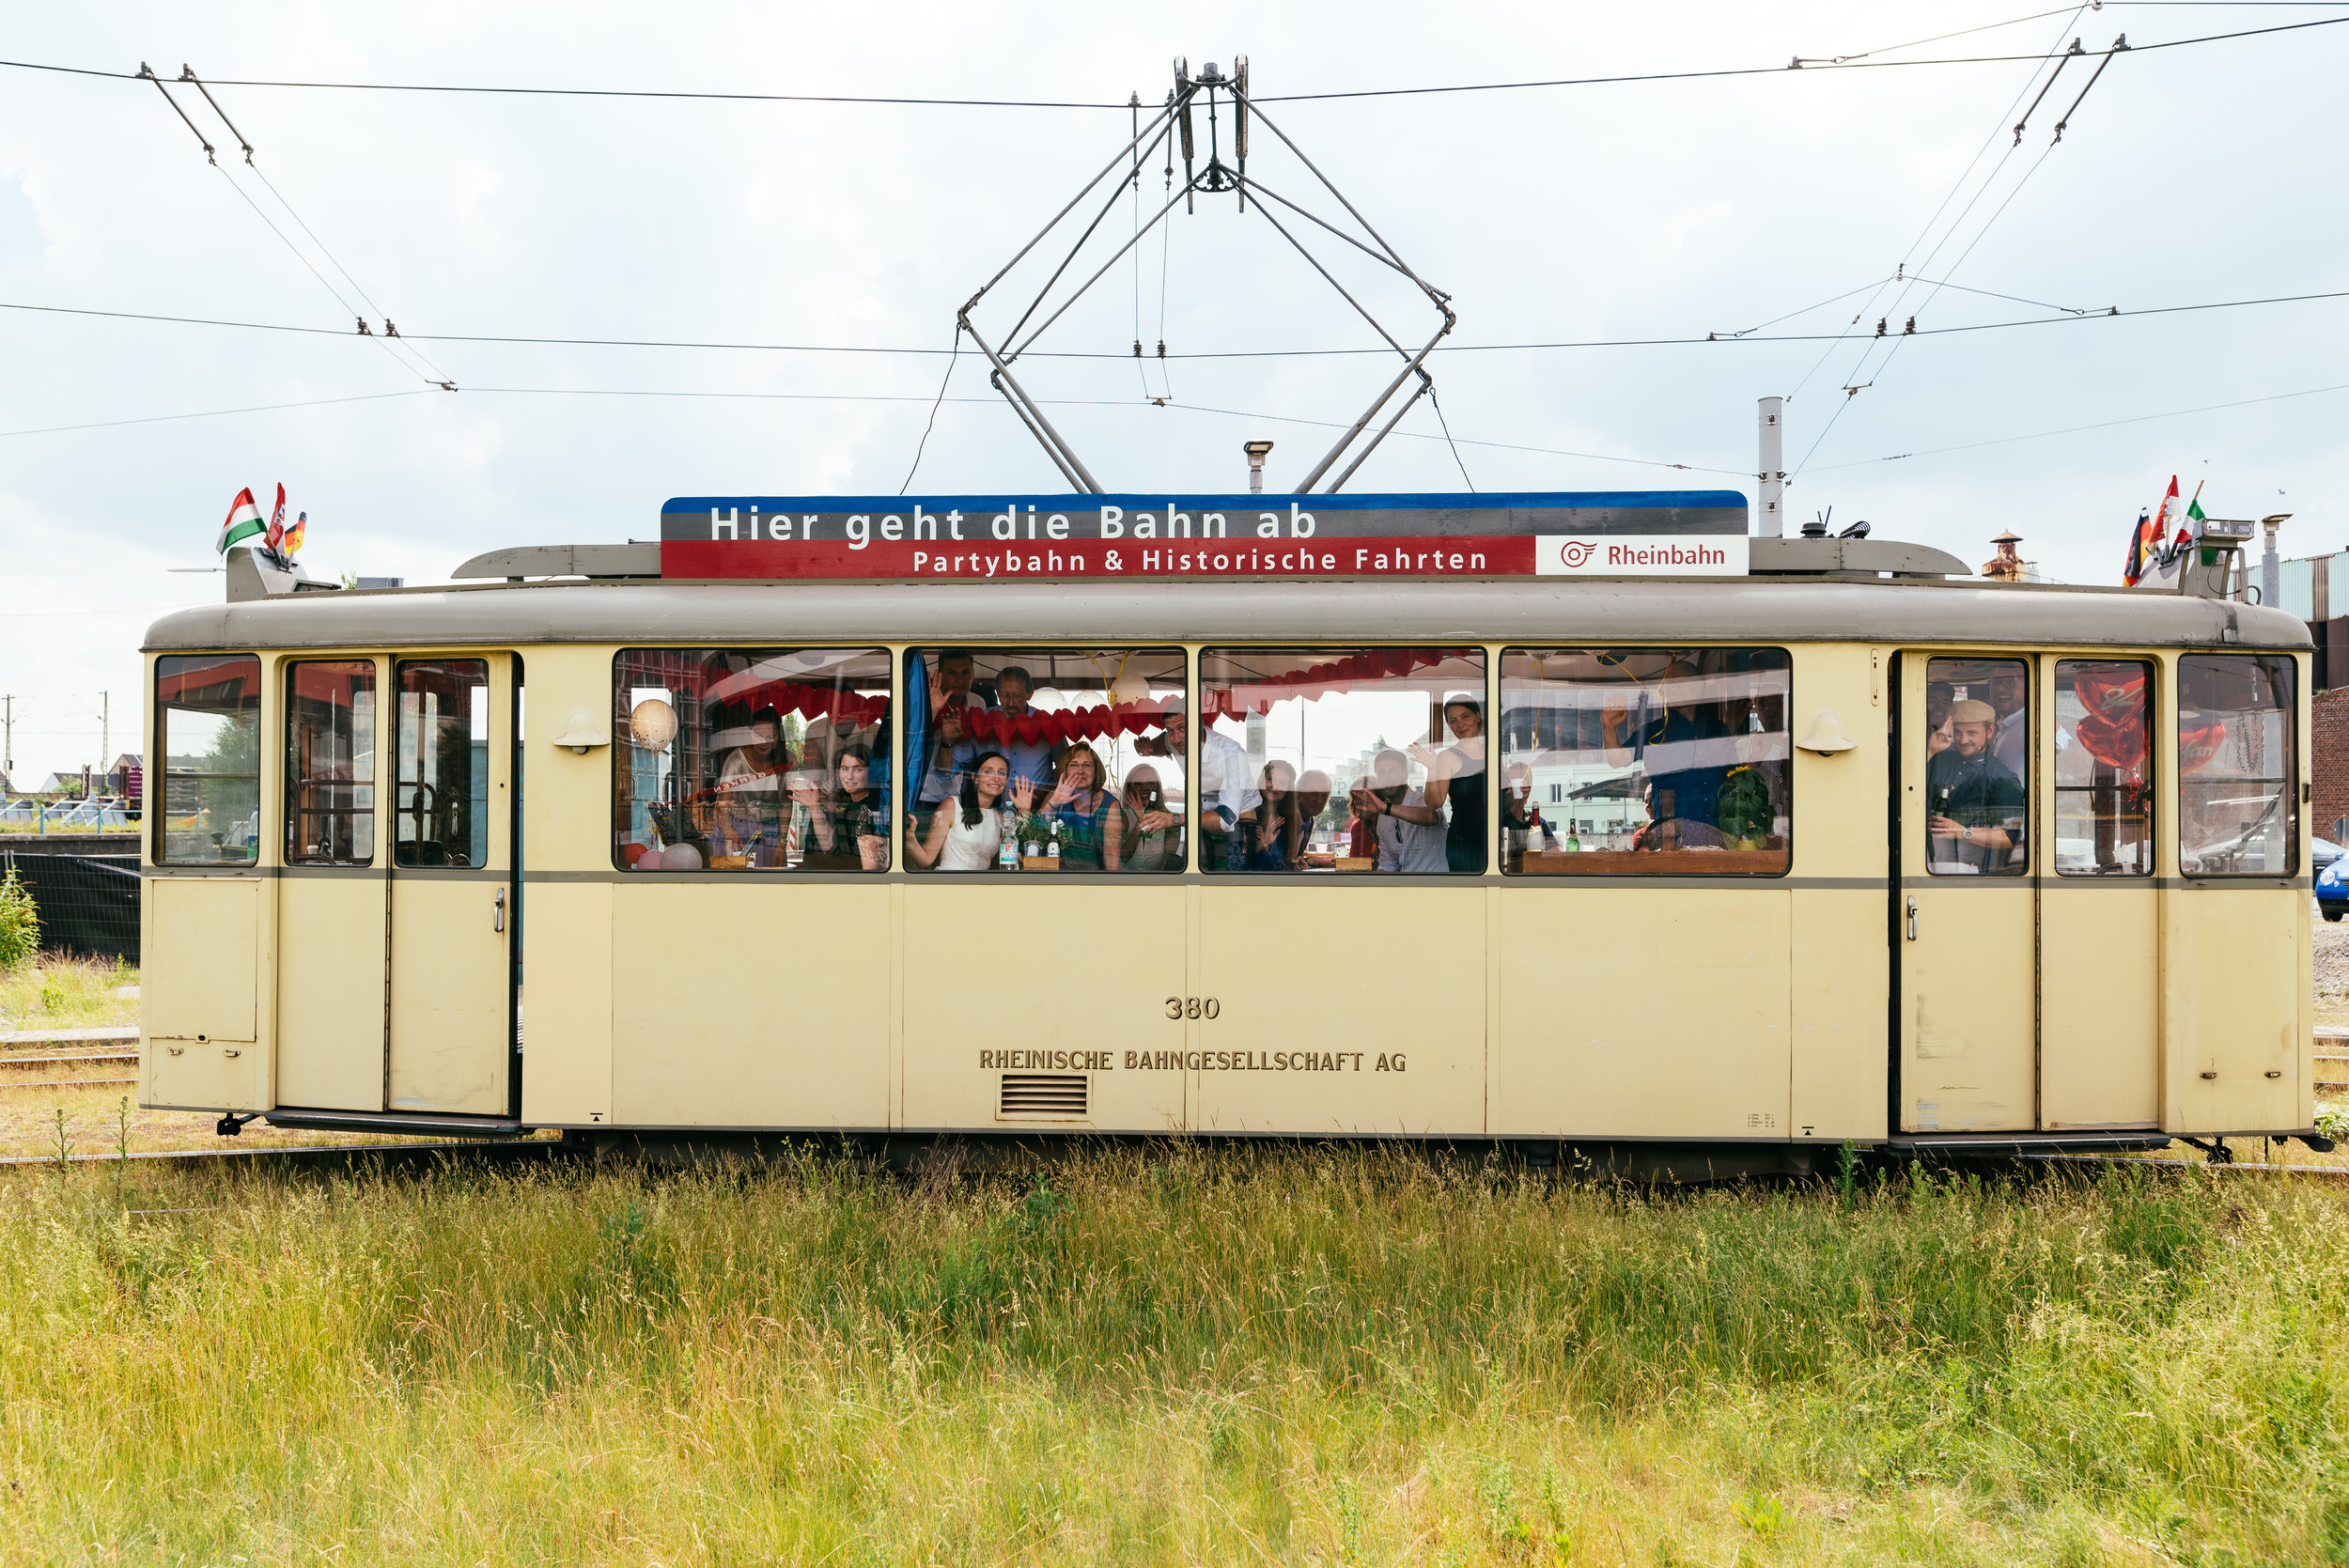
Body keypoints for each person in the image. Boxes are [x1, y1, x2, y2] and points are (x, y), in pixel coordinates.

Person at [1927, 698, 2026, 870]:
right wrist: (1930, 750)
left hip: (1974, 874)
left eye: (1972, 733)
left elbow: (2008, 838)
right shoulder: (1938, 760)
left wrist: (1962, 831)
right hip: (1926, 865)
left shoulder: (2002, 778)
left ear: (1989, 731)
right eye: (1957, 732)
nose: (1963, 740)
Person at [910, 751, 1034, 871]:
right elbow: (925, 860)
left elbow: (1020, 858)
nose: (996, 778)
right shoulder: (952, 805)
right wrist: (909, 837)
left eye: (1001, 773)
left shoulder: (999, 816)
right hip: (949, 883)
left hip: (980, 887)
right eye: (988, 771)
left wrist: (1024, 811)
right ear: (974, 778)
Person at [957, 663, 1059, 793]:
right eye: (1004, 695)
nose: (1011, 702)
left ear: (1030, 693)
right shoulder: (981, 721)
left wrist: (1044, 793)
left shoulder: (1047, 723)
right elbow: (951, 768)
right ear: (997, 692)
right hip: (988, 809)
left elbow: (1065, 765)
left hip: (1036, 809)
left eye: (1017, 696)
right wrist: (947, 741)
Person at [1413, 695, 1487, 873]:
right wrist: (1432, 768)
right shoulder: (1448, 757)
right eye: (1453, 720)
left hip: (1495, 838)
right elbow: (1434, 802)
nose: (1460, 724)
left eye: (1465, 716)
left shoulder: (1494, 753)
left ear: (1478, 716)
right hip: (1464, 842)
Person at [792, 742, 887, 870]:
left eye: (858, 769)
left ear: (871, 771)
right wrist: (814, 807)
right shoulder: (845, 806)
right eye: (845, 769)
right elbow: (829, 845)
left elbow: (871, 869)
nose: (849, 776)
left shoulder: (871, 808)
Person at [1352, 749, 1448, 873]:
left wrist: (1386, 808)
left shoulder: (1423, 801)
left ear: (1405, 774)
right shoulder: (1383, 816)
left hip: (1436, 887)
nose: (1387, 777)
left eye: (1392, 771)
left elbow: (1431, 817)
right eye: (1381, 773)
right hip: (1402, 888)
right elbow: (1388, 863)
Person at [712, 707, 789, 862]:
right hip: (737, 832)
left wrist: (781, 845)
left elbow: (786, 805)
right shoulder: (735, 761)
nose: (763, 742)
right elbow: (721, 806)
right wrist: (729, 832)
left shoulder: (786, 759)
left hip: (772, 832)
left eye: (770, 736)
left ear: (778, 735)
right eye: (758, 735)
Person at [1041, 743, 1121, 870]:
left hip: (1095, 882)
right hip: (1058, 880)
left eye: (1087, 765)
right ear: (1064, 770)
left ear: (1096, 771)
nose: (1080, 771)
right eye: (1073, 765)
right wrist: (1053, 803)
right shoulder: (1055, 796)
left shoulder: (1109, 804)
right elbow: (1036, 833)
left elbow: (1111, 856)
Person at [1116, 764, 1184, 871]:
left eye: (1150, 783)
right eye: (1138, 783)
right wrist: (1139, 822)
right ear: (1130, 787)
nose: (1145, 788)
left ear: (1157, 786)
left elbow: (1166, 861)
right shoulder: (1119, 816)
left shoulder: (1168, 818)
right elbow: (1124, 855)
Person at [1244, 759, 1304, 870]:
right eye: (1270, 779)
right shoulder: (1247, 812)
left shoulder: (1293, 817)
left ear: (1288, 789)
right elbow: (1238, 862)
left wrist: (1296, 863)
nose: (1274, 786)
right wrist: (1261, 845)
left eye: (1282, 783)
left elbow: (1285, 860)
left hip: (1279, 884)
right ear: (1262, 781)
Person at [1985, 667, 2029, 777]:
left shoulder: (2029, 725)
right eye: (1996, 682)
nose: (2000, 688)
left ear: (2026, 687)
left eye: (2009, 682)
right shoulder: (2005, 725)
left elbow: (2059, 741)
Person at [1925, 681, 1956, 756]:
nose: (1939, 706)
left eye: (1945, 703)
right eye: (1933, 701)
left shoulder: (1954, 749)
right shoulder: (1905, 737)